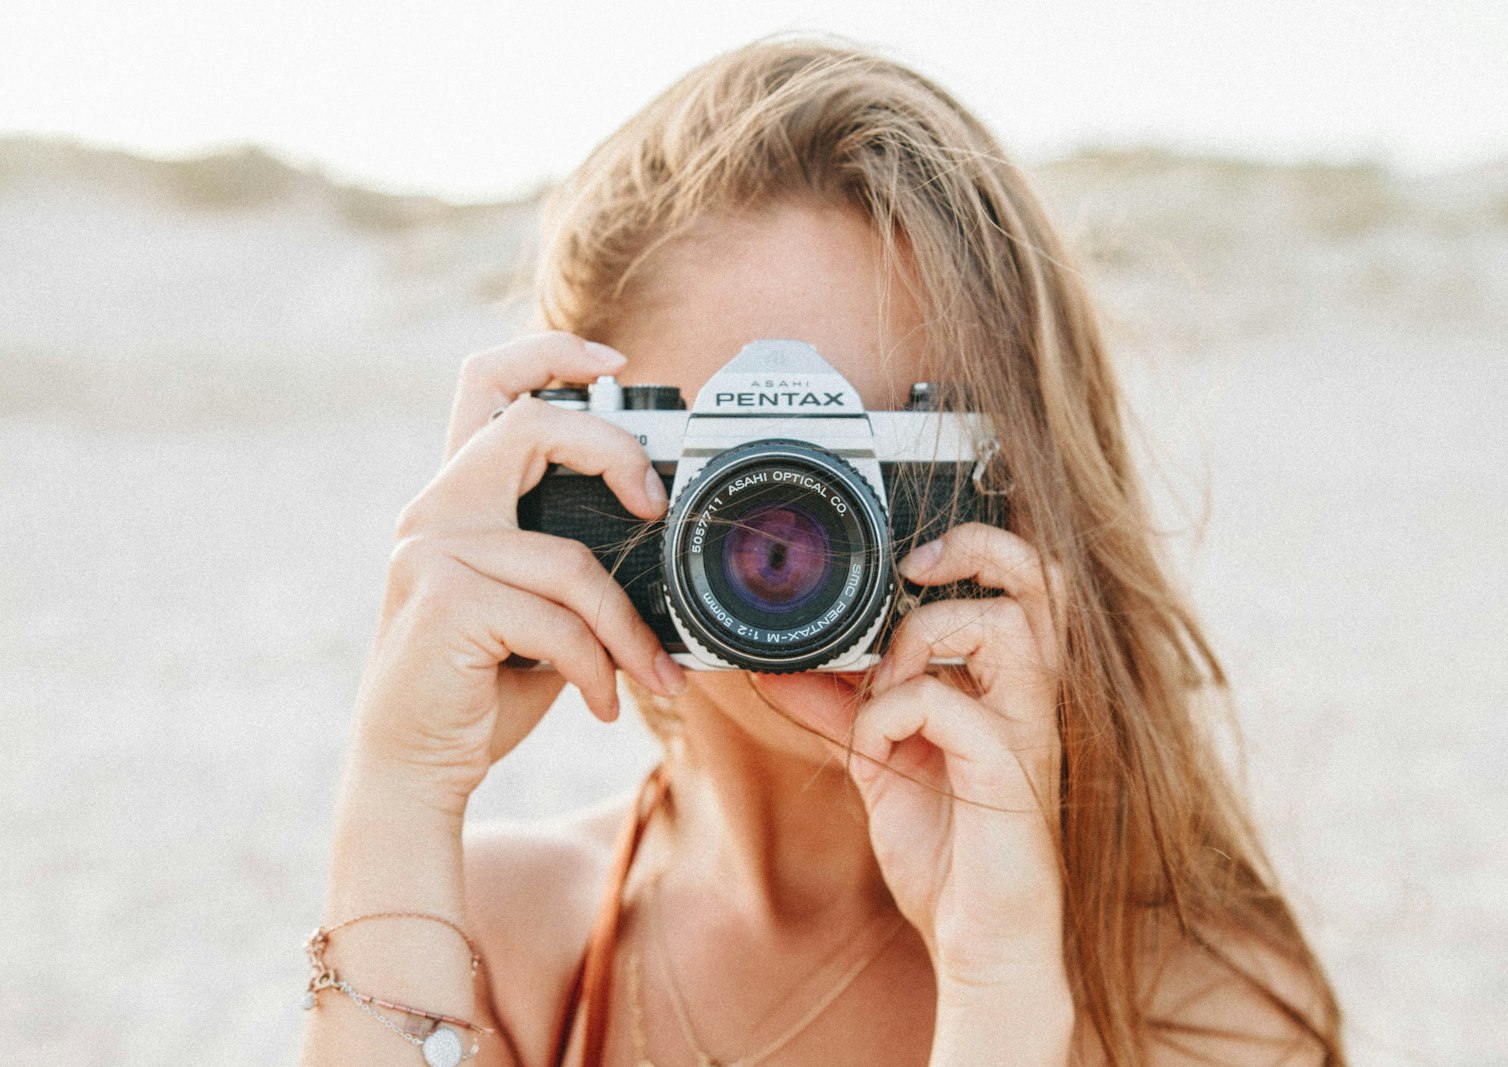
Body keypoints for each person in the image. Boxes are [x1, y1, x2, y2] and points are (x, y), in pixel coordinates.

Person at [298, 38, 1344, 1067]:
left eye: (871, 457)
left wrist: (1002, 984)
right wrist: (398, 791)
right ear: (577, 466)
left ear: (1020, 477)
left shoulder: (1197, 1004)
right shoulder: (496, 935)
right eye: (742, 460)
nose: (802, 531)